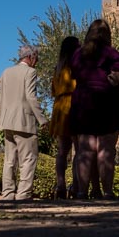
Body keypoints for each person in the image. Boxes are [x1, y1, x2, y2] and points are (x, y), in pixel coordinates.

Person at [69, 19, 119, 199]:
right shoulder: (110, 53)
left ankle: (81, 191)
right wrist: (114, 77)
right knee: (105, 150)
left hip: (83, 103)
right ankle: (108, 192)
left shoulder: (78, 54)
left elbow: (74, 73)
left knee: (84, 150)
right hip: (107, 103)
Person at [0, 45, 49, 201]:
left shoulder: (7, 72)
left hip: (7, 121)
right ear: (30, 57)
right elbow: (31, 97)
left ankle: (7, 194)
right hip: (24, 121)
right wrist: (42, 119)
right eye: (36, 57)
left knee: (10, 160)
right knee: (28, 158)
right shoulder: (30, 72)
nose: (37, 61)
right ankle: (23, 194)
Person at [49, 36, 80, 199]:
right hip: (73, 106)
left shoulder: (58, 68)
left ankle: (60, 184)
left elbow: (52, 90)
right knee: (78, 149)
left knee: (62, 150)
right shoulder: (76, 67)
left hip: (60, 107)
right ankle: (75, 186)